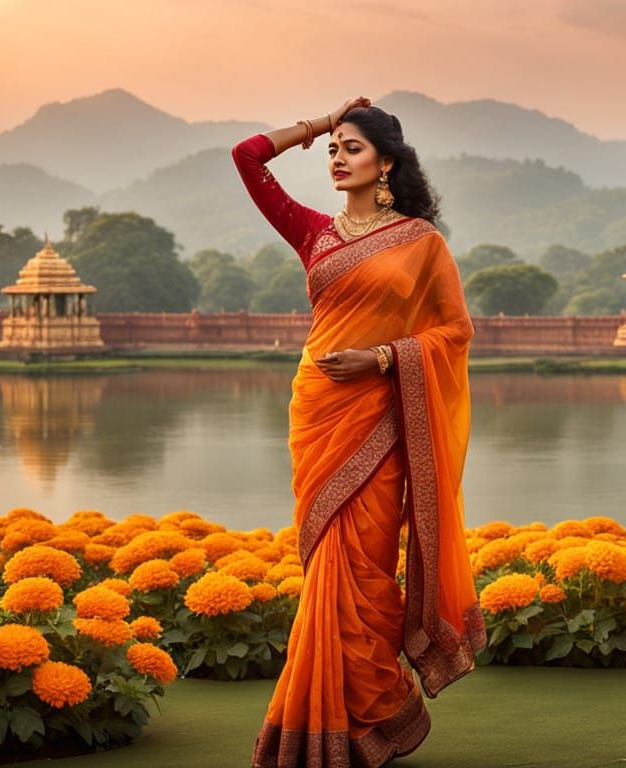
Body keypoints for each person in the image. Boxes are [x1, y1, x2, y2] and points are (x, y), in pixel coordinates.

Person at [233, 98, 485, 768]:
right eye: (332, 151)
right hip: (319, 412)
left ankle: (372, 716)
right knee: (326, 569)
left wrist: (380, 358)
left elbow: (453, 332)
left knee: (365, 572)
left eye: (352, 148)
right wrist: (319, 122)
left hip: (380, 415)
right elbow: (247, 158)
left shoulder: (421, 243)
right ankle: (330, 729)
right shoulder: (315, 234)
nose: (337, 159)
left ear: (387, 163)